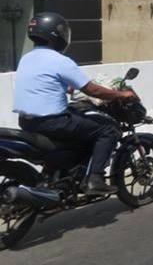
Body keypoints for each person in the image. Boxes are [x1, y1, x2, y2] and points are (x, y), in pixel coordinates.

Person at [13, 13, 137, 195]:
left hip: (26, 121)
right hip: (54, 122)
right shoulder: (60, 61)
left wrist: (67, 88)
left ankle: (65, 171)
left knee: (78, 120)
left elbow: (43, 84)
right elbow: (93, 90)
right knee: (108, 129)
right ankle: (95, 178)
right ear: (56, 35)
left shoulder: (26, 58)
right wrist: (121, 94)